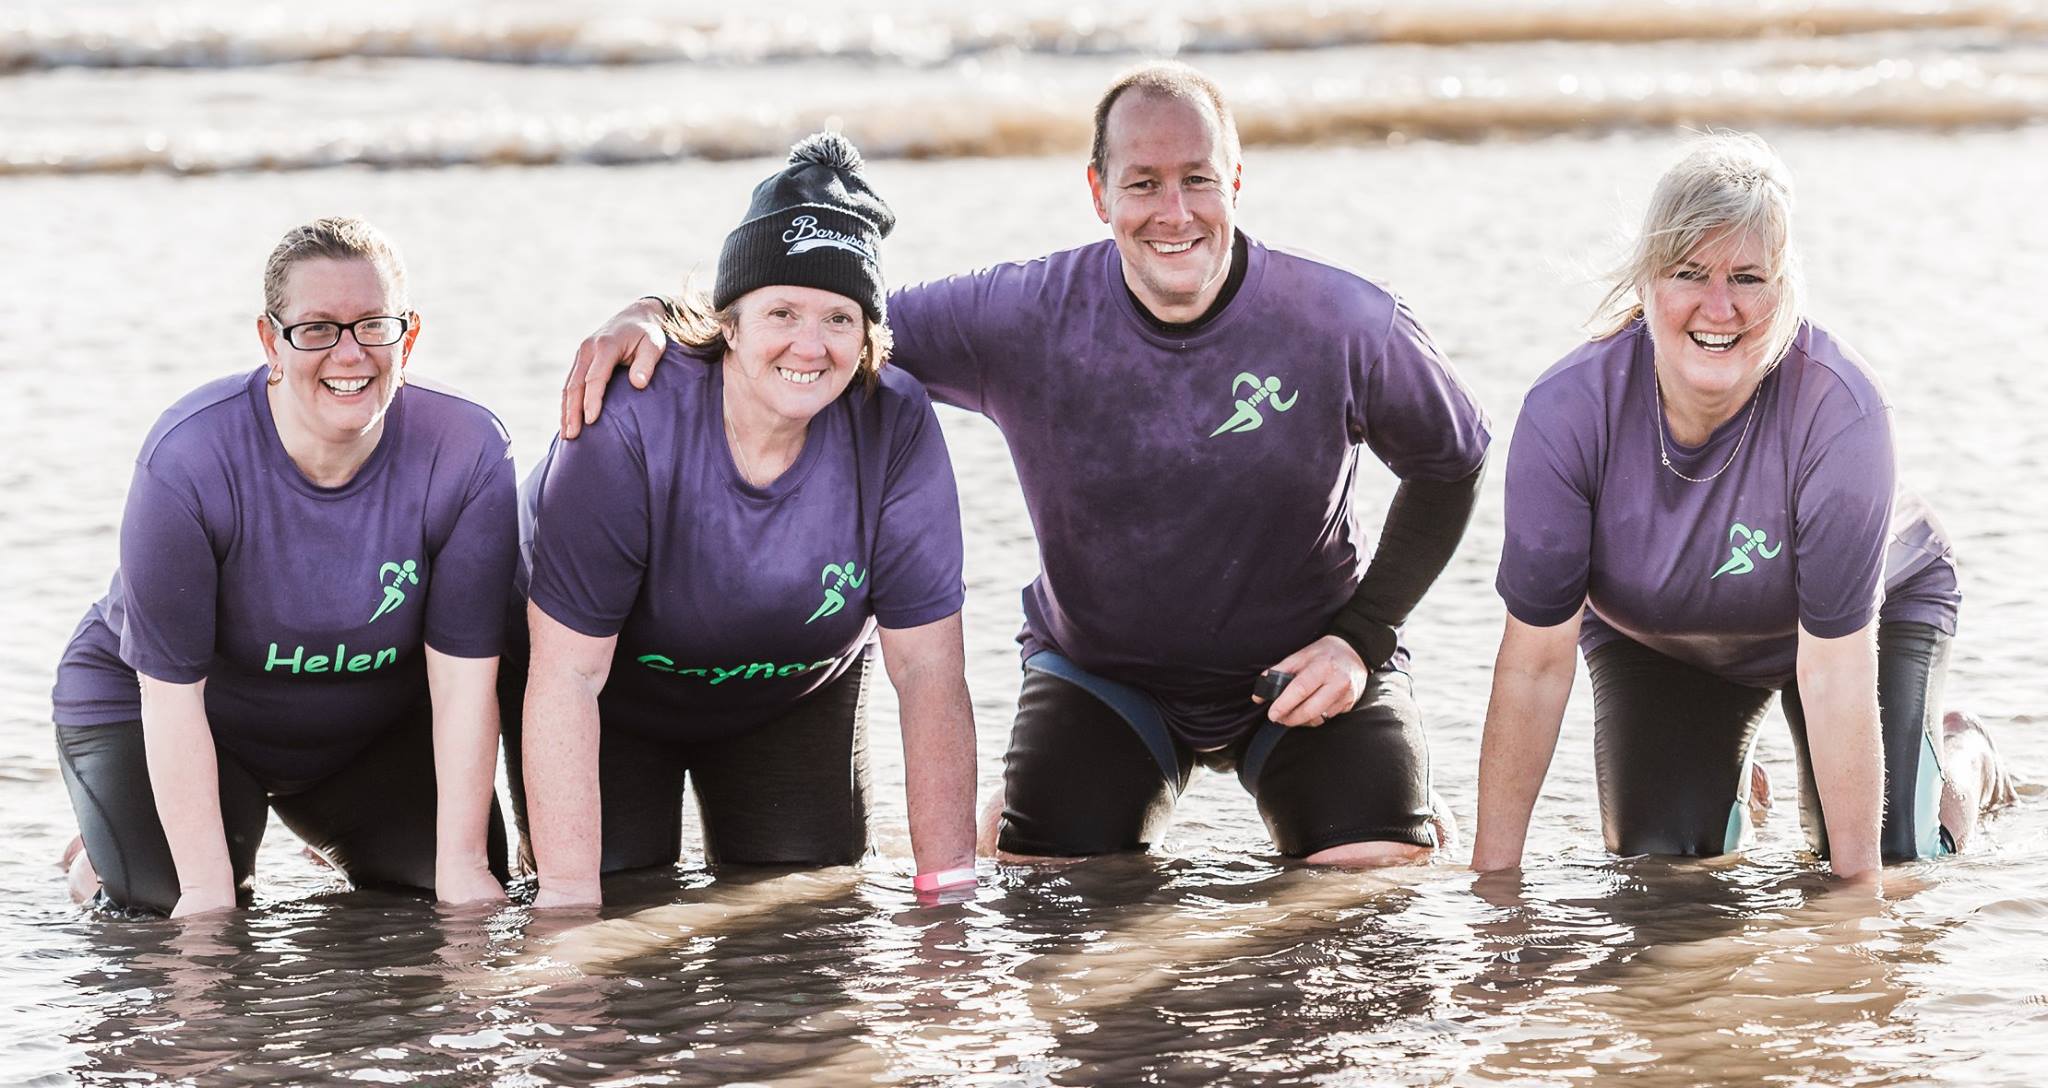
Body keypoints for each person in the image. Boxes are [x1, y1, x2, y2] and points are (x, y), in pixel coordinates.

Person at [557, 63, 1491, 866]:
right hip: (1105, 675)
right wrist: (658, 308)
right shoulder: (1024, 314)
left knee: (1373, 874)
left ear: (1238, 180)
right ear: (1098, 192)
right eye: (1143, 183)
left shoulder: (1344, 322)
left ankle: (1397, 785)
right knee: (1051, 883)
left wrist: (1364, 635)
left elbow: (1453, 463)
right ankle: (1020, 809)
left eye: (1198, 181)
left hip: (1301, 672)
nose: (1175, 213)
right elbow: (818, 314)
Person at [1470, 133, 2011, 882]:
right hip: (1657, 639)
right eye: (1689, 271)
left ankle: (1963, 759)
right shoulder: (1567, 411)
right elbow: (1533, 664)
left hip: (1857, 629)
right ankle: (1721, 770)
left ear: (1785, 289)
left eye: (1748, 277)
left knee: (1886, 859)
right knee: (1662, 876)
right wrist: (1493, 891)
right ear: (1646, 282)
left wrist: (1855, 914)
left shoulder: (1841, 412)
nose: (1718, 307)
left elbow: (1834, 673)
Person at [514, 133, 978, 908]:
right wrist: (566, 916)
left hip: (790, 693)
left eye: (839, 317)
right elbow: (567, 673)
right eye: (782, 311)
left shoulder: (894, 423)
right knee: (615, 904)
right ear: (728, 323)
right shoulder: (629, 418)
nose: (810, 344)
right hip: (610, 690)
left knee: (804, 920)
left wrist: (950, 903)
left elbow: (927, 672)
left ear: (867, 336)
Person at [51, 216, 516, 917]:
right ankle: (103, 854)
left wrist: (464, 869)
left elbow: (462, 683)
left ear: (408, 337)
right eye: (318, 328)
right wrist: (206, 899)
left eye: (373, 325)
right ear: (271, 340)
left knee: (449, 888)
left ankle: (334, 827)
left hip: (358, 735)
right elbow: (172, 699)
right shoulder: (190, 458)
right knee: (175, 903)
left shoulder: (468, 451)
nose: (350, 353)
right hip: (169, 715)